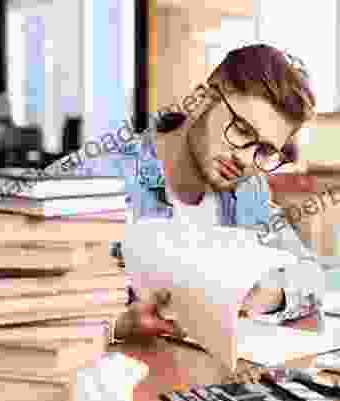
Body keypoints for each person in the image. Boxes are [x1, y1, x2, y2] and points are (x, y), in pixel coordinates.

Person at [72, 44, 325, 341]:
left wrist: (262, 295)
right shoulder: (96, 177)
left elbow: (312, 276)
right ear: (202, 99)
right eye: (242, 130)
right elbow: (23, 310)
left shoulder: (248, 189)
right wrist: (117, 325)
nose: (245, 159)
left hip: (206, 372)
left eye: (265, 149)